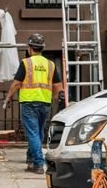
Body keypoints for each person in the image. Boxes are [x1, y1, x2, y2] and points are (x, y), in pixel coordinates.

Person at [4, 33, 64, 175]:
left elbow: (16, 84)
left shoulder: (26, 63)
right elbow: (59, 87)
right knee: (38, 132)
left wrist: (7, 99)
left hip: (29, 103)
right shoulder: (50, 64)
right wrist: (54, 100)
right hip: (45, 103)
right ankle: (31, 159)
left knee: (33, 134)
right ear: (42, 48)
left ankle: (38, 164)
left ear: (30, 48)